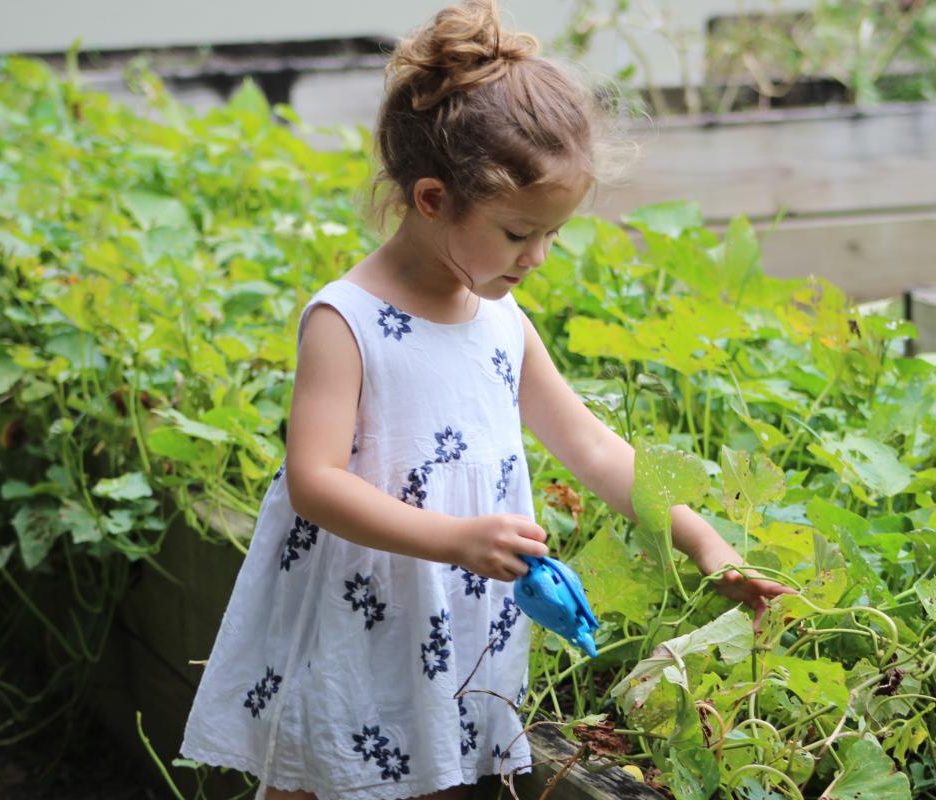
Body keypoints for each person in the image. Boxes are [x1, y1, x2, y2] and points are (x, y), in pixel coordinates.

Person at [179, 2, 793, 798]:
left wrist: (706, 543)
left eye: (553, 236)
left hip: (452, 616)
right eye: (516, 234)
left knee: (439, 772)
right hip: (364, 607)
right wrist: (454, 539)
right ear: (432, 199)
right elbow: (315, 481)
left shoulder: (501, 321)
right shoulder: (349, 321)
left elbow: (595, 449)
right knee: (318, 775)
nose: (536, 257)